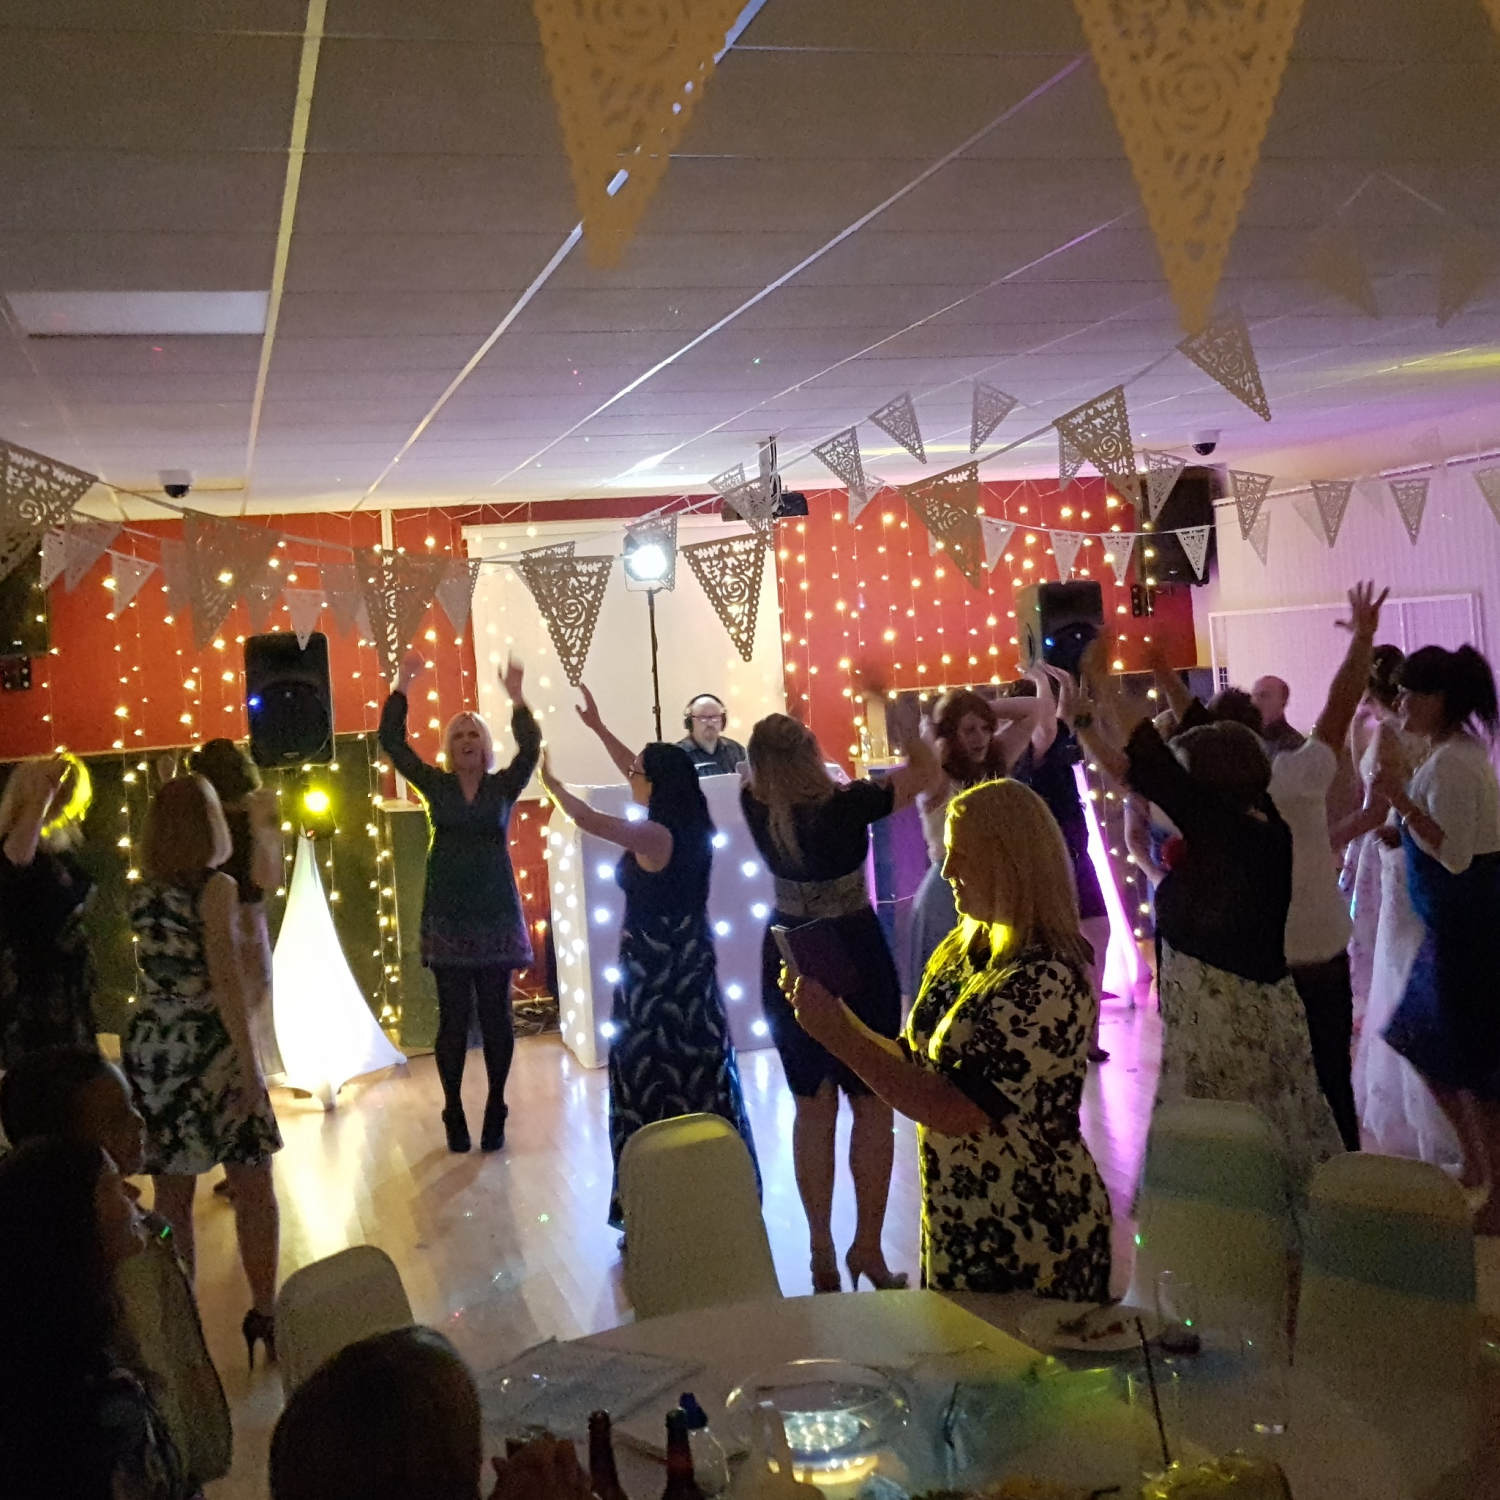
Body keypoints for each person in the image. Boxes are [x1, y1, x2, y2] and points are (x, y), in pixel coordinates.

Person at [789, 778, 1112, 1300]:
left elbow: (956, 1108)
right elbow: (916, 1063)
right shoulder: (963, 949)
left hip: (1033, 1229)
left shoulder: (1047, 977)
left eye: (962, 856)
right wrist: (836, 1022)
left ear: (1010, 863)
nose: (945, 871)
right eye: (946, 853)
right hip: (961, 1215)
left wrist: (840, 1037)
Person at [1065, 638, 1342, 1190]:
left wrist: (1103, 686)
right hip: (1226, 1018)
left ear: (1209, 783)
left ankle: (1238, 1231)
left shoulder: (1228, 831)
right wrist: (1085, 722)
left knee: (1239, 1156)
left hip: (1229, 1025)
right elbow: (1148, 768)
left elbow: (1153, 760)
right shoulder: (1250, 817)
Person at [540, 685, 758, 1231]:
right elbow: (640, 767)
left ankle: (658, 1205)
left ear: (657, 784)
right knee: (704, 1077)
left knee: (649, 1081)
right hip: (691, 969)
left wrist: (551, 786)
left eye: (638, 775)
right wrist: (596, 726)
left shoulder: (655, 834)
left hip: (657, 981)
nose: (630, 777)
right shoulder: (686, 821)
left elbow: (592, 820)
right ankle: (715, 1193)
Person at [741, 712, 939, 1293]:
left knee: (812, 1107)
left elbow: (751, 779)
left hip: (790, 953)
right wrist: (891, 711)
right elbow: (925, 770)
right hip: (855, 953)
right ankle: (869, 1248)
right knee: (874, 1101)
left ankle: (820, 1251)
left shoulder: (754, 803)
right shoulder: (849, 805)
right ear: (810, 753)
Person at [0, 1045, 232, 1489]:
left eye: (133, 1107)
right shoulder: (114, 1258)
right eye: (116, 1119)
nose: (138, 1124)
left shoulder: (135, 1229)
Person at [126, 774, 283, 1367]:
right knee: (253, 1185)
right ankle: (264, 1310)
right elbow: (224, 984)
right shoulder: (216, 889)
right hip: (208, 1045)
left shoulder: (142, 890)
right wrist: (251, 1071)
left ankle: (181, 1321)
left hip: (154, 1046)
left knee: (171, 1197)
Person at [380, 649, 540, 1154]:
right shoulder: (435, 785)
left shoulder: (502, 786)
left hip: (494, 911)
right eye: (459, 735)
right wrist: (403, 682)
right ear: (449, 748)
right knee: (452, 1016)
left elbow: (530, 749)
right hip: (448, 911)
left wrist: (516, 696)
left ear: (486, 747)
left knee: (496, 1014)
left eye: (475, 734)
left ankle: (496, 1104)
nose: (467, 740)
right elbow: (392, 742)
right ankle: (452, 1106)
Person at [1257, 585, 1388, 1154]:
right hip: (1316, 950)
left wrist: (1090, 712)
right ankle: (1346, 1174)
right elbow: (1337, 712)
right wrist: (1363, 639)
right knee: (1330, 1070)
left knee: (1285, 1076)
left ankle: (1300, 1175)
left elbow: (1133, 766)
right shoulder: (1294, 777)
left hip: (1272, 957)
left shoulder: (1212, 804)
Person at [1373, 644, 1500, 1230]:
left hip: (1469, 923)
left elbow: (1454, 854)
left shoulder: (1452, 761)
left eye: (1409, 693)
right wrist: (1404, 825)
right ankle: (1481, 1168)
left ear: (1438, 699)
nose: (1399, 703)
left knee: (1470, 1059)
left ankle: (1493, 1188)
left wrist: (1398, 800)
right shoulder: (1452, 754)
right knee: (1425, 1041)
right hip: (1456, 922)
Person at [0, 1135, 189, 1500]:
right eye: (113, 1187)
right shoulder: (76, 1381)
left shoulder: (63, 1323)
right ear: (70, 1216)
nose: (133, 1197)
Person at [905, 674, 1061, 995]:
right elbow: (924, 741)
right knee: (948, 988)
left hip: (996, 885)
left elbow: (1036, 707)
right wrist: (951, 715)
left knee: (994, 989)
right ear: (950, 735)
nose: (981, 737)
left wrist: (976, 708)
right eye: (969, 730)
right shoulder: (938, 777)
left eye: (985, 728)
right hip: (951, 889)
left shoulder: (996, 757)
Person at [1009, 671, 1115, 1062]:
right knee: (1080, 942)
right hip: (1058, 858)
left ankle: (1085, 1034)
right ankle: (1074, 1035)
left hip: (1069, 854)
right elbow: (1052, 721)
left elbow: (1068, 715)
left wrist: (1066, 681)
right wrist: (1040, 676)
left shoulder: (1041, 743)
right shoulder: (1030, 748)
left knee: (1093, 938)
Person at [190, 739, 283, 1080]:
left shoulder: (196, 814)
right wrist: (264, 827)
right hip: (245, 921)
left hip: (205, 922)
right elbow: (266, 878)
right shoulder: (255, 811)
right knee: (250, 1013)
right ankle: (251, 1080)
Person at [0, 752, 97, 1067]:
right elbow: (13, 864)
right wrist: (41, 796)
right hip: (31, 983)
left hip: (66, 984)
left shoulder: (58, 845)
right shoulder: (13, 846)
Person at [1340, 645, 1410, 1024]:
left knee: (1375, 923)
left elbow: (1372, 796)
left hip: (1381, 831)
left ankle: (1381, 1007)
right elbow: (1359, 782)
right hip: (1376, 829)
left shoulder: (1385, 730)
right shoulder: (1381, 726)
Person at [677, 692, 746, 777]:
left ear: (723, 721)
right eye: (702, 718)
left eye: (715, 717)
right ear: (690, 722)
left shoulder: (736, 750)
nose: (710, 723)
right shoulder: (678, 755)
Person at [1251, 675, 1306, 757]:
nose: (1255, 701)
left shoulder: (1294, 745)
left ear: (1283, 702)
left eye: (1264, 695)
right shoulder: (1246, 737)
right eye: (1254, 695)